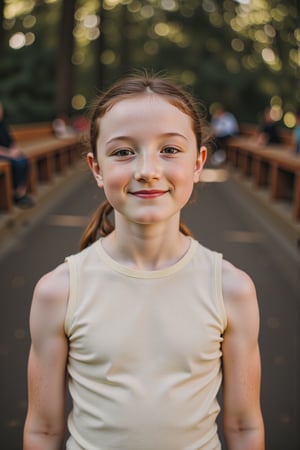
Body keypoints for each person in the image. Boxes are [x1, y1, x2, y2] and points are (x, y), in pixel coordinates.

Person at [23, 74, 264, 449]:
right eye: (123, 152)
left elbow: (245, 427)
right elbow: (42, 430)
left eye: (169, 150)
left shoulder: (231, 288)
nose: (147, 170)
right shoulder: (60, 291)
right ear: (97, 167)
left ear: (199, 162)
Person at [0, 101, 34, 208]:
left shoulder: (3, 125)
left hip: (8, 153)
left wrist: (15, 150)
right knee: (18, 163)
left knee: (24, 159)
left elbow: (11, 141)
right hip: (3, 154)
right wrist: (10, 153)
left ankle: (20, 193)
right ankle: (17, 194)